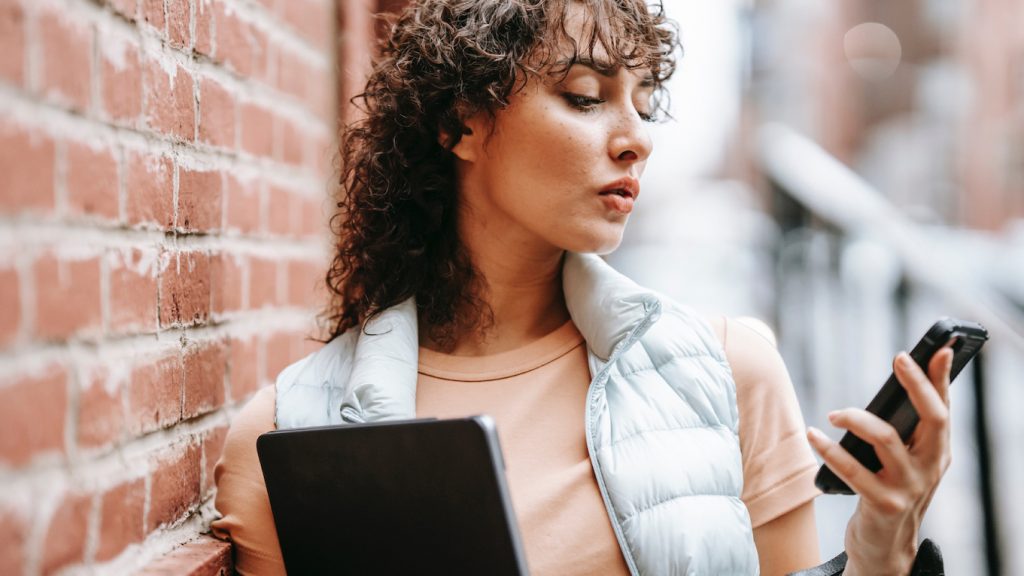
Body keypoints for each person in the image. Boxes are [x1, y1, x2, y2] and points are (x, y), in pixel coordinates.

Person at [211, 1, 954, 574]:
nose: (638, 138)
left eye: (644, 104)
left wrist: (883, 547)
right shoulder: (287, 434)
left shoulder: (729, 370)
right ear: (461, 125)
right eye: (586, 96)